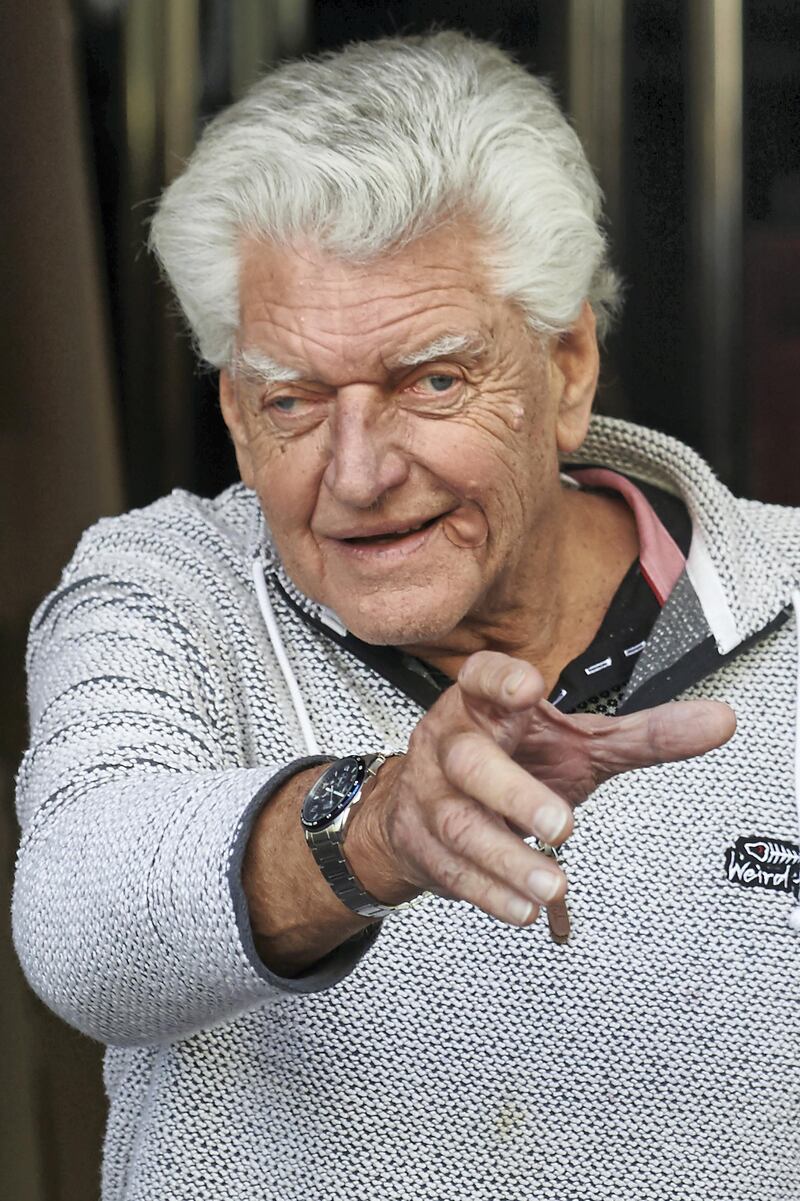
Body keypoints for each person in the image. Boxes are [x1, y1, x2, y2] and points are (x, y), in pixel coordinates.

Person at [13, 31, 800, 1201]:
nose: (359, 471)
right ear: (236, 414)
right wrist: (371, 829)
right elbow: (86, 919)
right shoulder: (165, 587)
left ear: (567, 366)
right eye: (292, 398)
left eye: (430, 381)